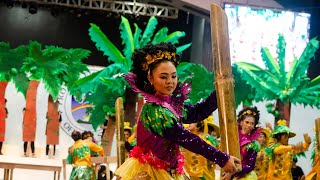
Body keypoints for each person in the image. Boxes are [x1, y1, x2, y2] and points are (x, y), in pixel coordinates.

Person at [114, 42, 240, 179]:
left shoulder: (172, 105)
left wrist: (221, 90)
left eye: (173, 76)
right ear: (150, 78)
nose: (170, 81)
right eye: (163, 77)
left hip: (170, 172)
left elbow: (199, 112)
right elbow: (185, 137)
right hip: (149, 174)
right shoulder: (154, 110)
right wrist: (221, 159)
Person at [232, 106, 261, 179]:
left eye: (252, 123)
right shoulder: (232, 137)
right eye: (247, 122)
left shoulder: (253, 144)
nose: (249, 125)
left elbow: (250, 166)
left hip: (245, 176)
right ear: (241, 122)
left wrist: (235, 173)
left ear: (254, 126)